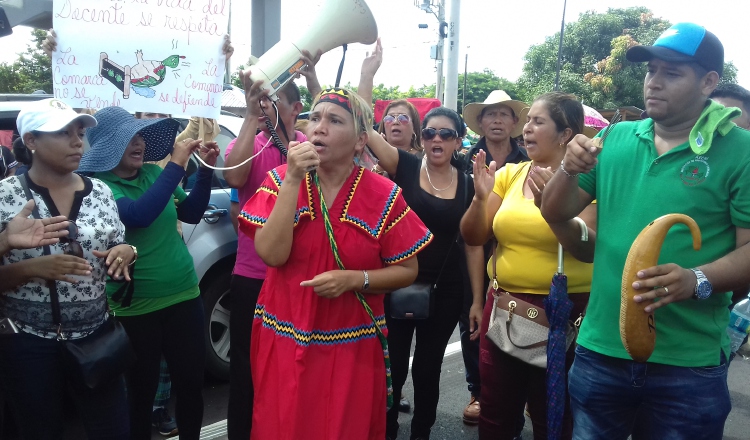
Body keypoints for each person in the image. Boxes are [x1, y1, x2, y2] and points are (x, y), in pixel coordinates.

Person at [541, 23, 750, 438]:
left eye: (672, 73)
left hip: (688, 363)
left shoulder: (739, 150)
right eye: (651, 70)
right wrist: (568, 167)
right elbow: (555, 210)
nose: (654, 82)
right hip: (600, 351)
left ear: (709, 82)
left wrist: (695, 279)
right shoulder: (612, 138)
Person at [240, 87, 430, 439]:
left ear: (360, 141)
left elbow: (408, 270)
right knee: (283, 426)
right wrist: (293, 179)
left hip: (352, 347)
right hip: (285, 340)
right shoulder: (280, 180)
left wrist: (355, 280)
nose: (319, 127)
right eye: (314, 118)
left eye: (334, 120)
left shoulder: (384, 195)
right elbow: (271, 255)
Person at [77, 106, 220, 440]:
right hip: (137, 307)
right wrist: (177, 164)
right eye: (131, 138)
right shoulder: (100, 189)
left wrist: (206, 171)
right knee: (140, 393)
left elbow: (191, 211)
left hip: (185, 295)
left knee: (189, 385)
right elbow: (139, 214)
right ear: (110, 147)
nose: (140, 143)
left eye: (141, 136)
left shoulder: (154, 175)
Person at [461, 91, 594, 439]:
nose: (526, 129)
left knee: (553, 415)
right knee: (495, 412)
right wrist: (478, 198)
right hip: (502, 308)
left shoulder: (589, 180)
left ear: (565, 134)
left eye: (538, 121)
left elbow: (586, 247)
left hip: (564, 313)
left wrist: (552, 207)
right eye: (527, 121)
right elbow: (474, 236)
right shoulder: (510, 174)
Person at [0, 98, 136, 439]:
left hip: (96, 337)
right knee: (39, 430)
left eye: (79, 132)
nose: (78, 141)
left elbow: (119, 245)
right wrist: (29, 265)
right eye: (63, 133)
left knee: (113, 429)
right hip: (27, 341)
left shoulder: (101, 192)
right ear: (31, 141)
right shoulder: (5, 197)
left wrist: (127, 251)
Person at [366, 106, 484, 440]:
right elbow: (367, 131)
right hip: (398, 281)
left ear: (458, 141)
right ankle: (387, 430)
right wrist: (361, 78)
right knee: (394, 366)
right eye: (430, 132)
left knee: (428, 368)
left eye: (446, 134)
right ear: (422, 137)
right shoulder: (405, 167)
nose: (437, 139)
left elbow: (474, 245)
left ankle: (421, 433)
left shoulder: (469, 186)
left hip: (446, 291)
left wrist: (476, 300)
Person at [222, 66, 314, 439]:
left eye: (271, 101)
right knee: (246, 368)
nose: (263, 107)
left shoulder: (309, 144)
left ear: (295, 109)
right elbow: (233, 178)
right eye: (258, 101)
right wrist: (249, 116)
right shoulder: (250, 145)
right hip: (253, 275)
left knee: (297, 364)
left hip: (302, 276)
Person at [458, 90, 529, 425]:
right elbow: (471, 236)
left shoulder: (529, 160)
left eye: (504, 114)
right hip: (474, 251)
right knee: (474, 324)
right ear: (481, 122)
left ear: (515, 122)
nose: (497, 120)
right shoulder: (464, 161)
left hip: (516, 256)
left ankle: (523, 392)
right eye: (490, 114)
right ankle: (478, 392)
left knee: (524, 323)